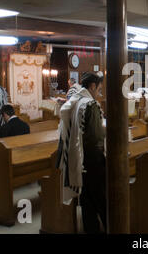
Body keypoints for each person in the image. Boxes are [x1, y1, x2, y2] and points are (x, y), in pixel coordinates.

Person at [56, 72, 106, 234]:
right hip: (92, 162)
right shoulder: (90, 105)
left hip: (79, 160)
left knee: (86, 203)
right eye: (98, 89)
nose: (99, 93)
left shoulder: (75, 101)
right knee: (101, 200)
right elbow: (95, 138)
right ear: (92, 86)